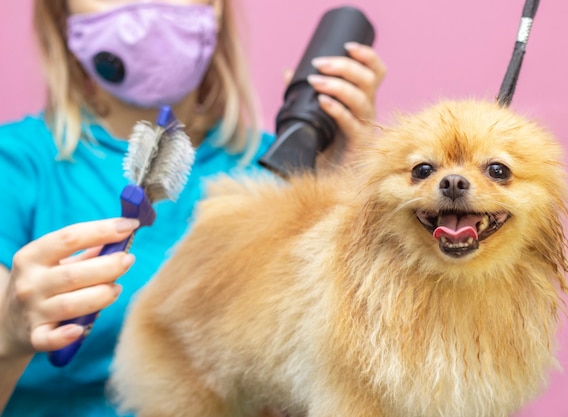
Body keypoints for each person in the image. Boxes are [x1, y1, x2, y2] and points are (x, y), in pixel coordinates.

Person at [0, 0, 387, 416]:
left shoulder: (275, 176)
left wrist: (352, 199)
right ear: (62, 14)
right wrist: (9, 334)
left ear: (217, 8)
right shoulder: (16, 166)